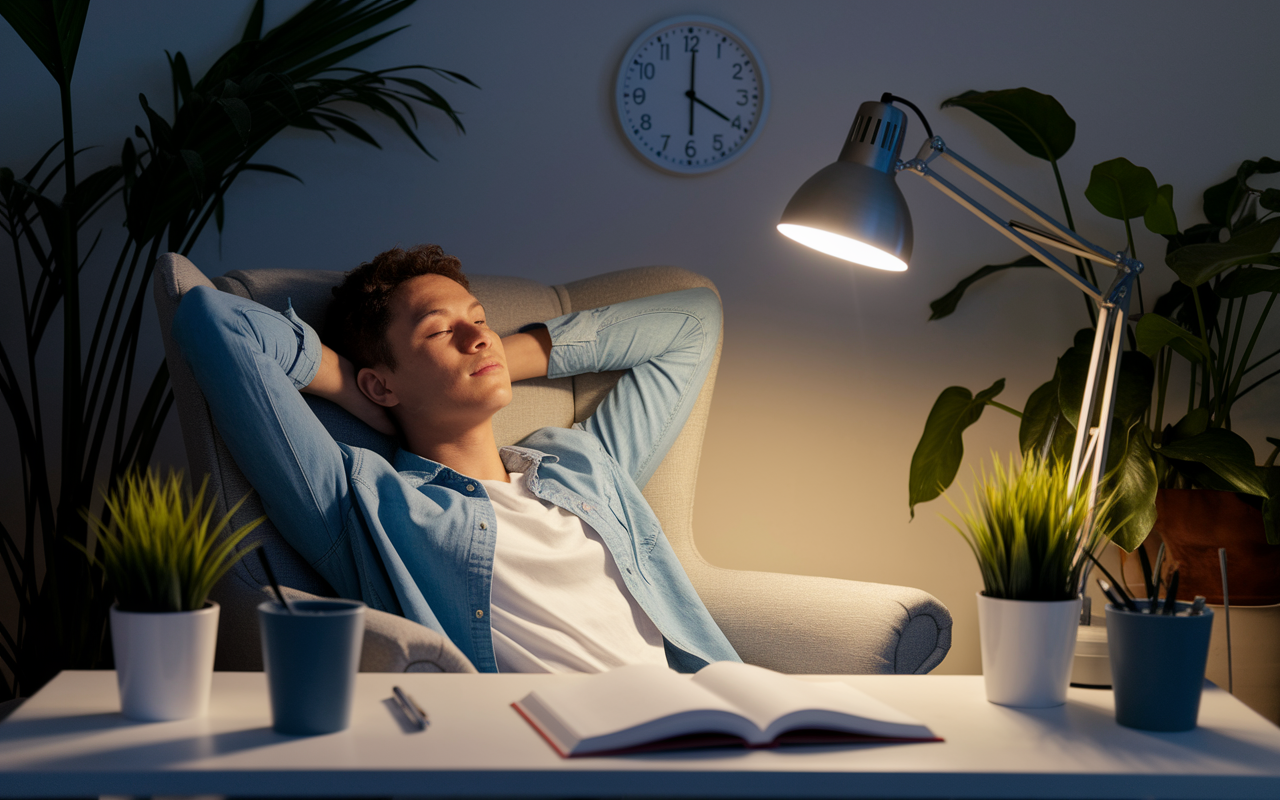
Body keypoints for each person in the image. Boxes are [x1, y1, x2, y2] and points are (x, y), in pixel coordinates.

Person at [172, 244, 740, 673]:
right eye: (440, 331)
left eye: (481, 318)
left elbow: (694, 321)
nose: (477, 335)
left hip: (700, 718)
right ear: (382, 383)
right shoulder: (367, 503)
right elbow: (211, 321)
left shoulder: (583, 463)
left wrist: (494, 356)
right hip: (573, 756)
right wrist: (356, 390)